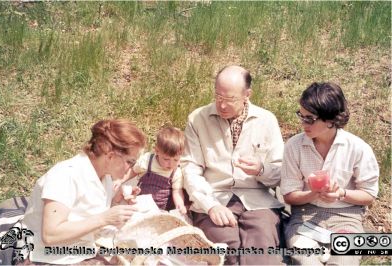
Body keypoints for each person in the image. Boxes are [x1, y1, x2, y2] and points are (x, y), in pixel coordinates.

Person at [182, 65, 285, 265]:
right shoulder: (197, 118)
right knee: (226, 251)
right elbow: (190, 169)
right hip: (214, 198)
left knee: (262, 250)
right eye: (218, 97)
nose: (222, 105)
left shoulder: (267, 120)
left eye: (230, 100)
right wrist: (210, 205)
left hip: (258, 201)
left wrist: (261, 170)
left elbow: (280, 172)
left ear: (247, 94)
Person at [19, 119, 146, 265]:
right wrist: (105, 218)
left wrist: (117, 202)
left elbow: (87, 210)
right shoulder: (66, 175)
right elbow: (50, 234)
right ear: (110, 156)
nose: (131, 169)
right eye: (130, 162)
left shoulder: (105, 176)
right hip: (45, 257)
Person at [280, 82, 379, 265]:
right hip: (305, 216)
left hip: (347, 218)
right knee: (306, 259)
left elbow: (369, 195)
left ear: (331, 120)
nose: (303, 123)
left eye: (309, 119)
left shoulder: (358, 148)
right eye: (301, 116)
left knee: (344, 261)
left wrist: (341, 193)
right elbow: (289, 196)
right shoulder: (294, 146)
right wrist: (312, 193)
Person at [114, 126, 187, 214]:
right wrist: (121, 180)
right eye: (166, 159)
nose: (171, 164)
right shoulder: (148, 161)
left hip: (160, 209)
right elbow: (133, 171)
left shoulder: (176, 172)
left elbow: (177, 191)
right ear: (157, 151)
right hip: (141, 203)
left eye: (176, 160)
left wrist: (180, 205)